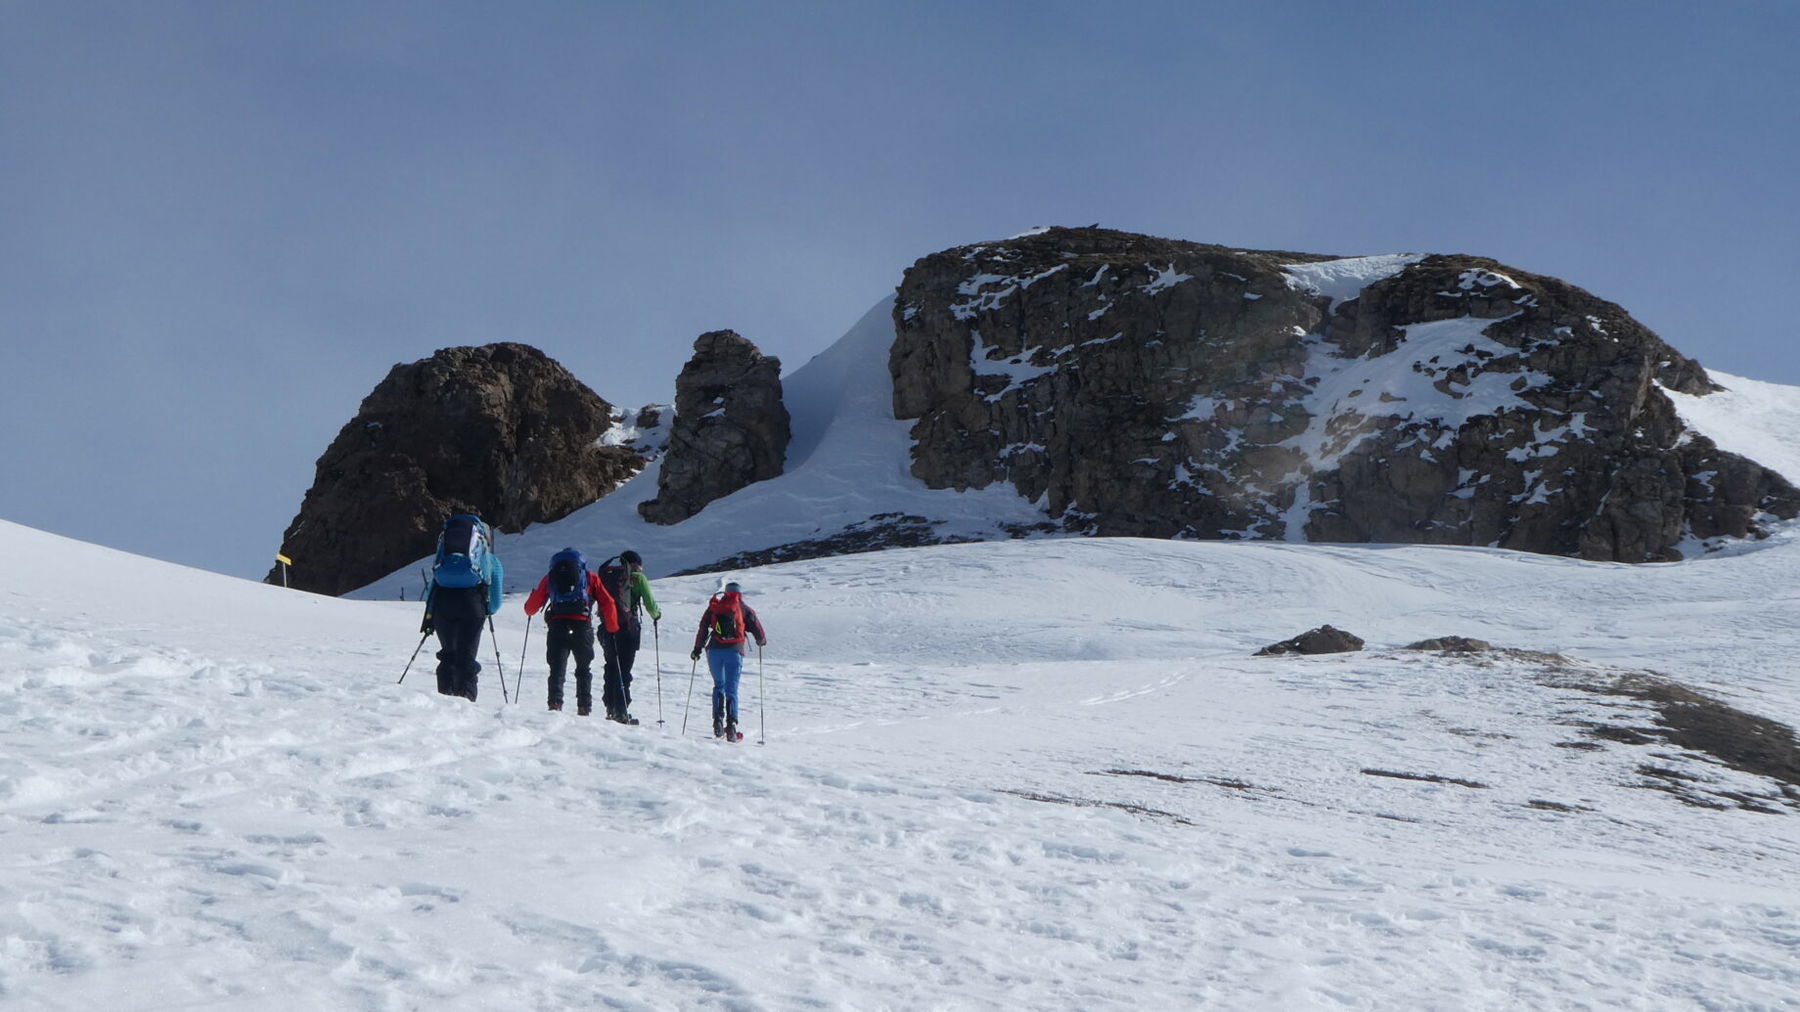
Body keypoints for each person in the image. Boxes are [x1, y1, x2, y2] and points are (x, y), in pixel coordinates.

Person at [522, 548, 620, 716]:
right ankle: (584, 706)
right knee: (583, 668)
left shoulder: (550, 578)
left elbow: (530, 609)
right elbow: (608, 602)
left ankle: (555, 703)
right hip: (582, 626)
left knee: (557, 668)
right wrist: (612, 628)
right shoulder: (589, 577)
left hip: (557, 625)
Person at [421, 513, 505, 702]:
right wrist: (487, 610)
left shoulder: (445, 553)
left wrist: (430, 614)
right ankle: (465, 699)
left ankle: (445, 697)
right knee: (466, 655)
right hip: (472, 604)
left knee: (448, 653)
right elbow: (496, 601)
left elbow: (434, 584)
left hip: (443, 603)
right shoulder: (490, 560)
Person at [691, 580, 766, 740]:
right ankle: (731, 726)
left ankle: (717, 722)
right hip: (734, 651)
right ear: (740, 593)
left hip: (714, 651)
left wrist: (697, 648)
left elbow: (703, 627)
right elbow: (758, 630)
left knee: (719, 685)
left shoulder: (714, 607)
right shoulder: (744, 609)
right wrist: (761, 640)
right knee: (732, 689)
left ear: (725, 592)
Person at [598, 549, 663, 724]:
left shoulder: (608, 576)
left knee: (611, 666)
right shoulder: (638, 578)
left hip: (606, 627)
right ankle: (621, 710)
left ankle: (610, 708)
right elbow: (650, 605)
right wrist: (657, 615)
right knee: (624, 669)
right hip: (627, 627)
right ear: (634, 564)